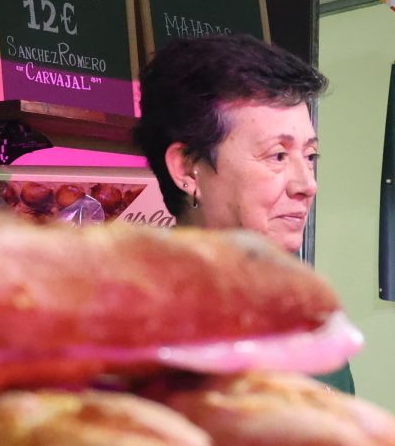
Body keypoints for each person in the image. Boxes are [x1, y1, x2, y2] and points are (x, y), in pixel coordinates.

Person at [133, 35, 353, 394]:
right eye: (278, 156)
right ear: (189, 170)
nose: (307, 184)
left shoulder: (312, 327)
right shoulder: (121, 329)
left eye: (310, 157)